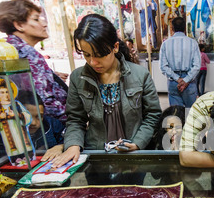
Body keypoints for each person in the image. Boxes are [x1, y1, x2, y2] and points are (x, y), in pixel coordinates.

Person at [50, 14, 161, 169]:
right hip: (96, 156)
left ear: (115, 47)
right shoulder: (78, 77)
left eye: (99, 55)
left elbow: (153, 115)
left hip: (132, 156)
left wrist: (138, 142)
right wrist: (73, 144)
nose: (93, 62)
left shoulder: (140, 75)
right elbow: (75, 119)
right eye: (87, 55)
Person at [0, 0, 69, 124]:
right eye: (36, 19)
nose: (44, 24)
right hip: (51, 127)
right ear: (19, 25)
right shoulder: (26, 53)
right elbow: (44, 103)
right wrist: (79, 117)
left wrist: (51, 77)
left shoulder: (10, 50)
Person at [159, 17, 201, 108]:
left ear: (172, 28)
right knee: (190, 115)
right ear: (185, 28)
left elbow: (163, 66)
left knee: (176, 115)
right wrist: (185, 80)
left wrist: (177, 79)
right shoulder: (193, 43)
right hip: (189, 82)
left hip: (173, 82)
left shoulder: (165, 44)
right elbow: (197, 66)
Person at [17, 91, 65, 162]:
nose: (33, 123)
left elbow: (68, 139)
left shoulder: (52, 124)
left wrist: (60, 147)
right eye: (27, 117)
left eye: (39, 116)